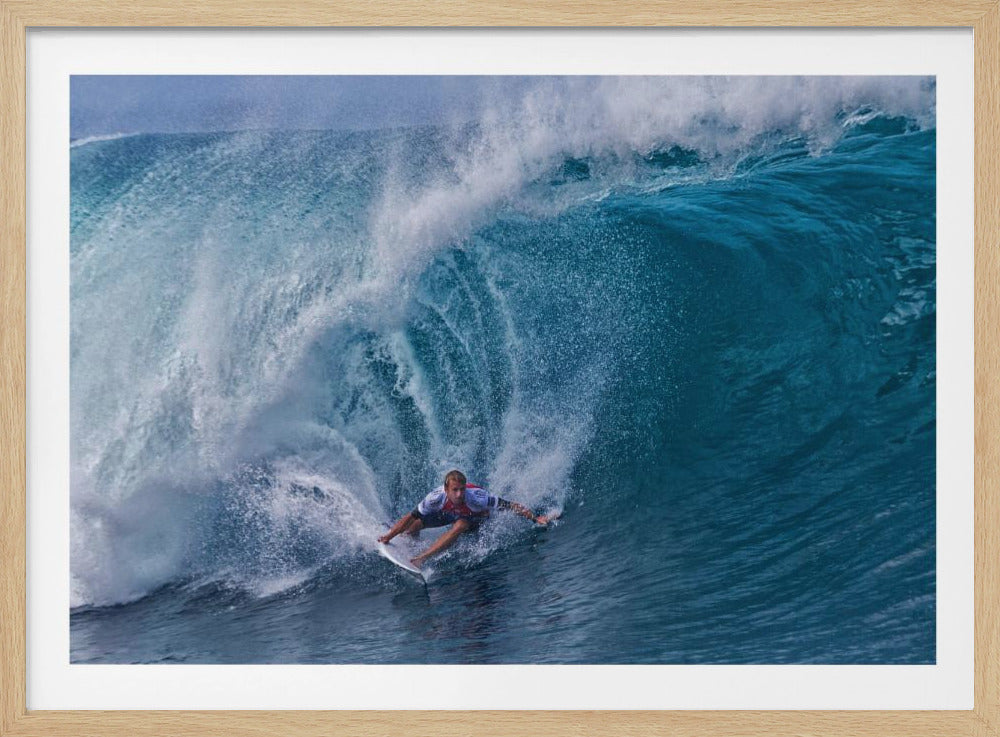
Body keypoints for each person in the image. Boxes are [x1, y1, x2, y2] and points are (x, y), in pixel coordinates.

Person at [378, 469, 551, 569]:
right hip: (450, 514)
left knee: (461, 524)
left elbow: (509, 505)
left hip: (474, 519)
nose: (459, 494)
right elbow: (411, 516)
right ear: (446, 489)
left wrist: (535, 518)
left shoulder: (477, 498)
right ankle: (408, 540)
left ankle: (422, 558)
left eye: (462, 489)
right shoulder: (435, 498)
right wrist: (388, 536)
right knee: (413, 525)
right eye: (455, 490)